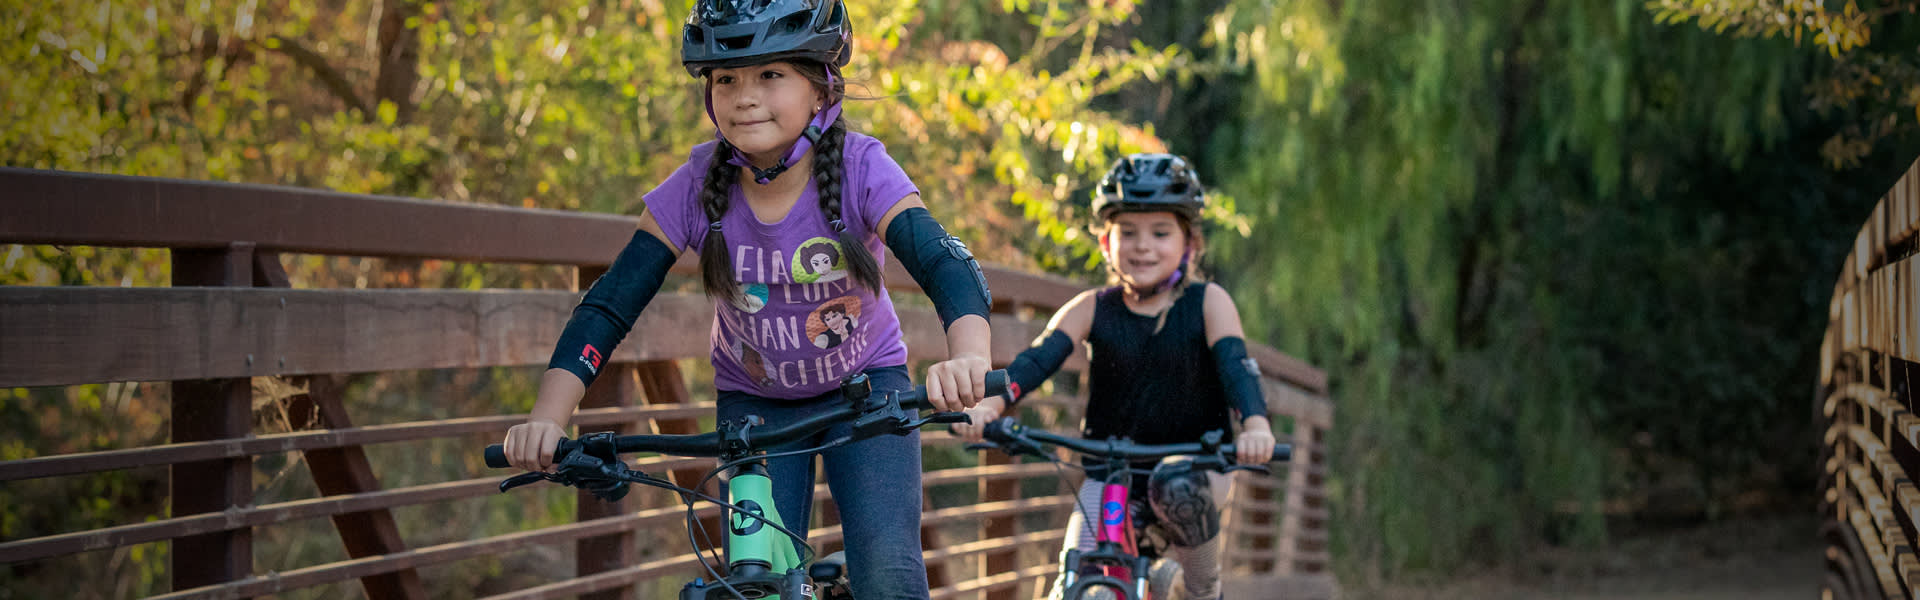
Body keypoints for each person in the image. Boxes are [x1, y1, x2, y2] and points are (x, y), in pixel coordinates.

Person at [501, 1, 995, 596]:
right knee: (756, 580)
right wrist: (548, 419)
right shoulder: (694, 183)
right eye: (725, 78)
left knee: (887, 571)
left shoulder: (863, 167)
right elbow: (611, 304)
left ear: (820, 89)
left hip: (867, 393)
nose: (743, 95)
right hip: (754, 408)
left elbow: (944, 261)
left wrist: (969, 355)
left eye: (770, 74)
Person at [952, 154, 1276, 600]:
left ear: (1190, 244)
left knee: (1176, 485)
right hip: (1111, 471)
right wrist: (990, 405)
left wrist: (1256, 425)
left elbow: (1237, 369)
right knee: (1078, 577)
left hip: (1195, 465)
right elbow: (1036, 361)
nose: (1143, 246)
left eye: (1161, 233)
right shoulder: (1091, 307)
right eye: (1128, 232)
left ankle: (1201, 590)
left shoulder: (1209, 302)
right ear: (1106, 242)